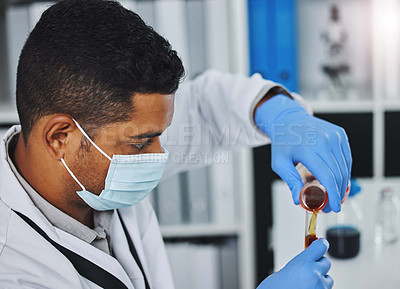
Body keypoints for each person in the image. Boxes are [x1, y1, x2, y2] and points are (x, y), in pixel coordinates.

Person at [0, 0, 351, 288]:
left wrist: (283, 116)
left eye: (161, 134)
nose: (160, 154)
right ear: (59, 137)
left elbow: (206, 108)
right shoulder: (13, 269)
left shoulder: (97, 143)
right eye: (142, 142)